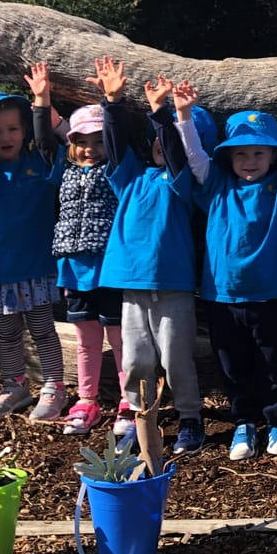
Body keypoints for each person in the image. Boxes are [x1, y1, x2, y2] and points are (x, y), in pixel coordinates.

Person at [173, 81, 277, 461]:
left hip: (271, 294)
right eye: (241, 153)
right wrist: (182, 116)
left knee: (274, 363)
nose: (249, 160)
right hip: (222, 295)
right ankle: (243, 423)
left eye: (259, 153)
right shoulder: (215, 186)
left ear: (273, 157)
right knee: (232, 364)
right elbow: (194, 157)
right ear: (227, 157)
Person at [94, 57, 210, 456]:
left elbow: (179, 157)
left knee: (177, 358)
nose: (162, 146)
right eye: (158, 140)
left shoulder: (183, 184)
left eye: (169, 141)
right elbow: (114, 146)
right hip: (132, 284)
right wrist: (112, 102)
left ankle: (191, 417)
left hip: (173, 285)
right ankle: (139, 416)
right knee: (138, 358)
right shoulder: (132, 177)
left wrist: (164, 115)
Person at [0, 66, 68, 420]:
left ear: (24, 130)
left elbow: (69, 143)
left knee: (42, 330)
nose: (5, 137)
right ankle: (15, 387)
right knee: (7, 335)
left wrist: (43, 104)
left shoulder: (40, 162)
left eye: (13, 129)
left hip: (36, 265)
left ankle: (54, 386)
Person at [49, 99, 130, 437]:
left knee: (121, 339)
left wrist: (111, 102)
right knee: (86, 340)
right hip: (73, 269)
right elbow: (48, 133)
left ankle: (130, 401)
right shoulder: (62, 170)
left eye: (99, 141)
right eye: (82, 141)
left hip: (109, 270)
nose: (90, 149)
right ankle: (87, 400)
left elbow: (117, 138)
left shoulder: (116, 170)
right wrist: (41, 101)